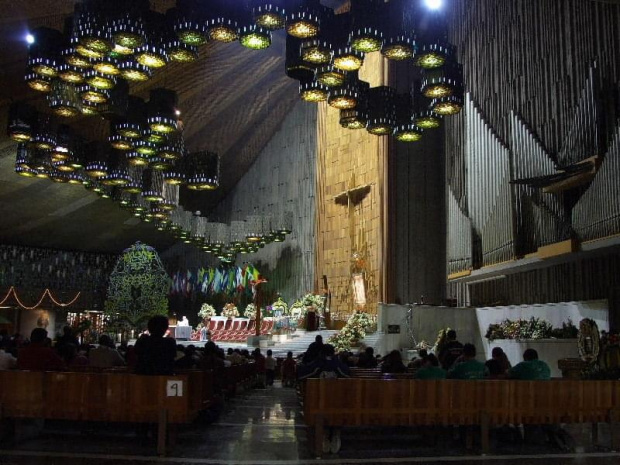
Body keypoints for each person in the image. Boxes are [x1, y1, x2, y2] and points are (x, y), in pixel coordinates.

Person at [299, 344, 349, 454]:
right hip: (337, 399)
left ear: (321, 353)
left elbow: (303, 375)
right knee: (336, 415)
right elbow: (348, 376)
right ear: (333, 352)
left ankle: (325, 435)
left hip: (319, 399)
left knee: (322, 414)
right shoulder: (338, 364)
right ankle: (336, 434)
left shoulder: (317, 363)